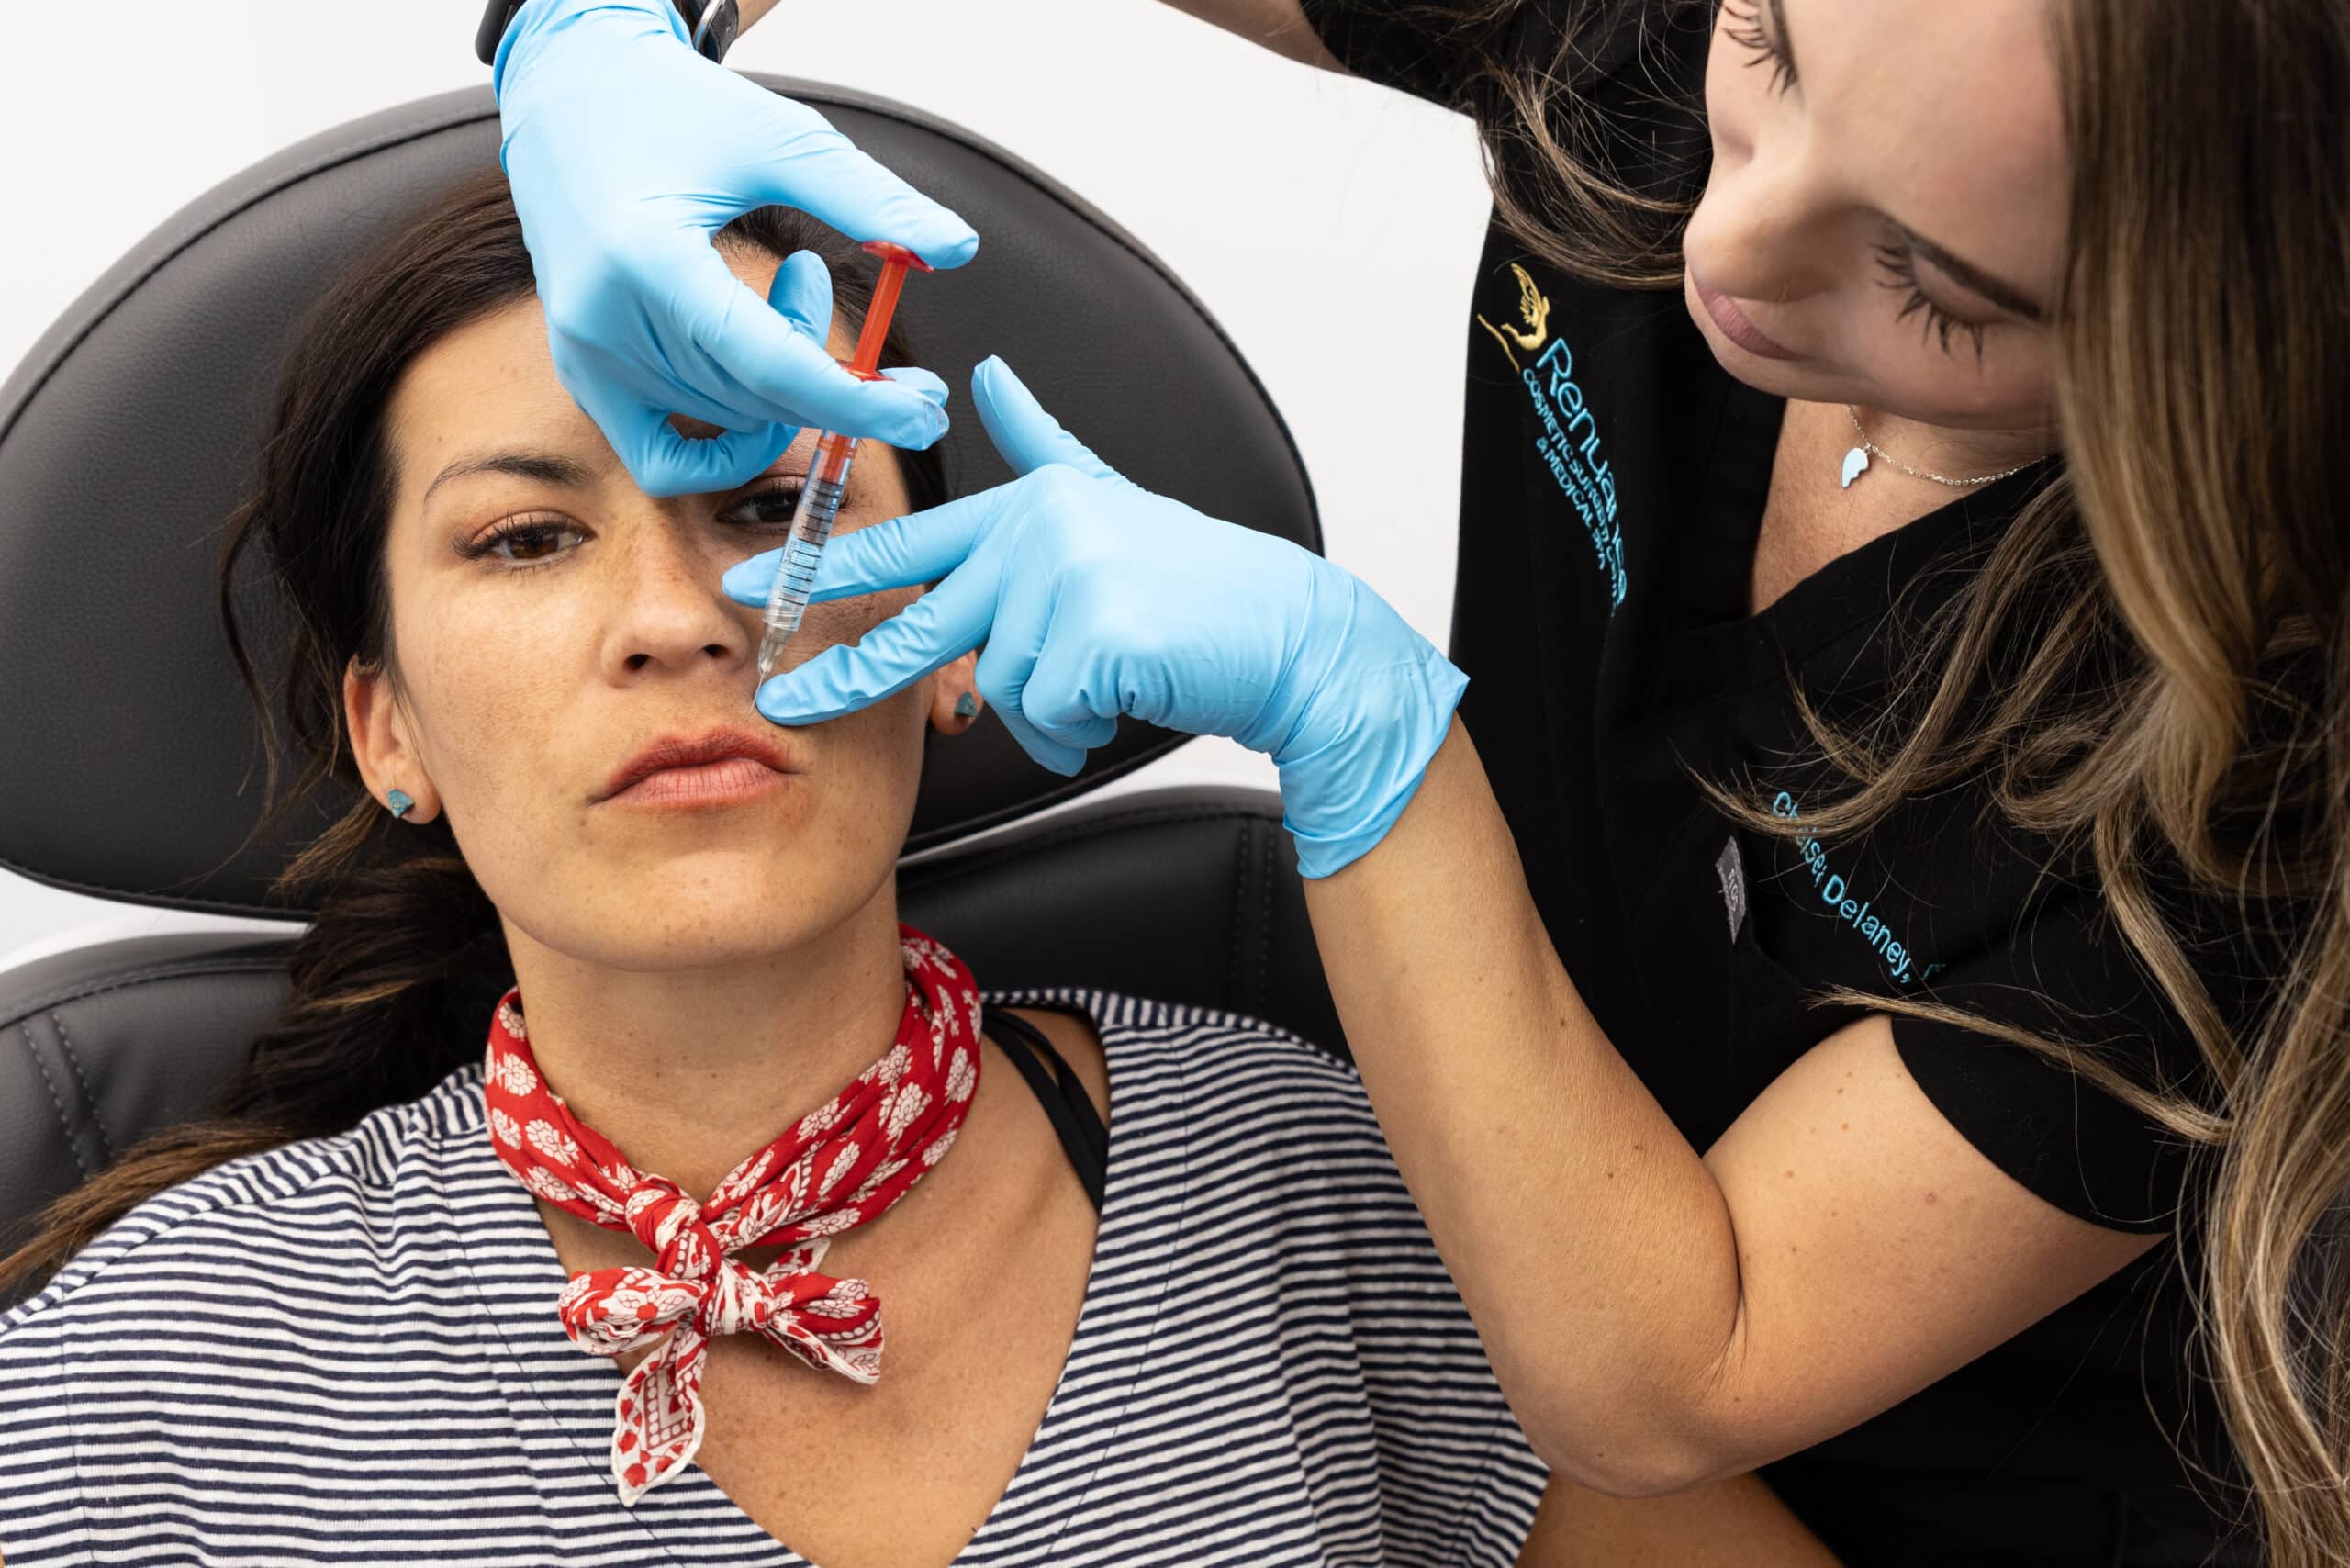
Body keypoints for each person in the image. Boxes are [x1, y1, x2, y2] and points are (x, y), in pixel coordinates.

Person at [465, 0, 2350, 1562]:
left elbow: (1666, 1371)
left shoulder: (2261, 746)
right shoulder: (193, 1332)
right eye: (1759, 53)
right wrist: (587, 29)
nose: (1718, 249)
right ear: (370, 710)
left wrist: (1358, 713)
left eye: (1933, 294)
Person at [0, 174, 1568, 1568]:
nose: (678, 615)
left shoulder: (1301, 1166)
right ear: (386, 725)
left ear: (950, 628)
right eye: (528, 539)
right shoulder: (155, 1372)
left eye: (767, 505)